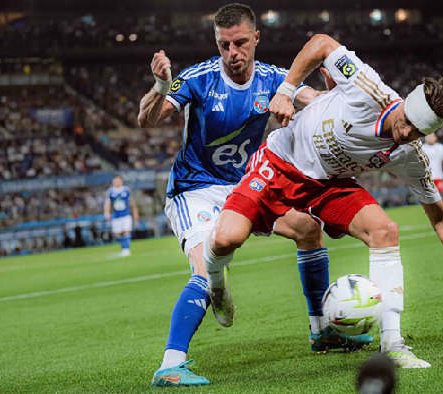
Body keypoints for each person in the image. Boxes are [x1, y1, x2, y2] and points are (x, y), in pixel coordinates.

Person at [203, 34, 443, 369]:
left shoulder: (411, 155)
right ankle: (215, 282)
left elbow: (440, 215)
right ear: (403, 103)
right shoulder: (367, 87)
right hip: (281, 160)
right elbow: (321, 43)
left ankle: (393, 342)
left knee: (385, 230)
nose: (405, 134)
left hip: (329, 183)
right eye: (406, 123)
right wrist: (286, 91)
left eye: (417, 133)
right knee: (226, 239)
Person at [136, 3, 370, 387]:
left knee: (309, 229)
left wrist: (334, 99)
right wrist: (161, 85)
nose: (233, 53)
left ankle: (321, 330)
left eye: (240, 43)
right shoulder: (200, 78)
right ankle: (170, 364)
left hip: (244, 186)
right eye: (224, 44)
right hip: (194, 190)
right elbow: (148, 119)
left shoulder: (275, 80)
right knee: (203, 267)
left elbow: (312, 99)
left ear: (256, 38)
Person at [103, 175, 138, 256]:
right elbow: (107, 203)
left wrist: (135, 213)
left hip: (126, 214)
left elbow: (132, 202)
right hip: (116, 216)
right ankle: (124, 248)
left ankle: (126, 249)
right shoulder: (110, 191)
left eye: (118, 181)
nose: (117, 182)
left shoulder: (126, 190)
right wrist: (107, 213)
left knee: (126, 231)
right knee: (117, 234)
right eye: (115, 181)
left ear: (121, 181)